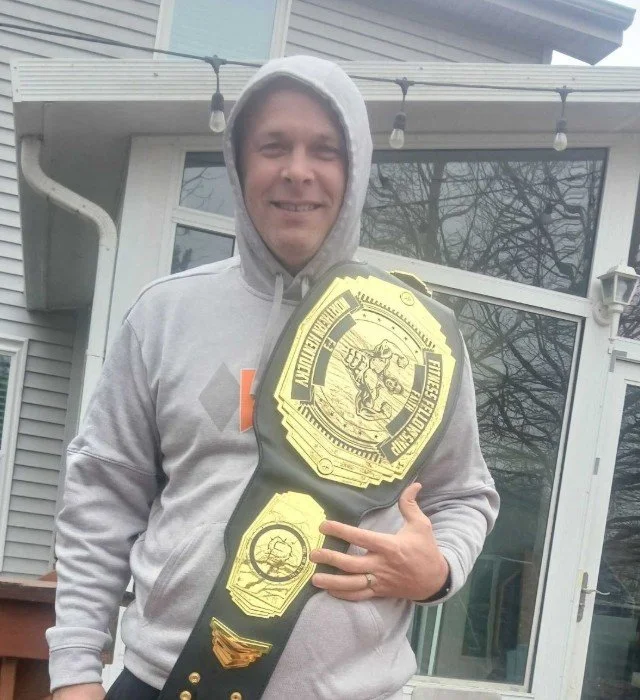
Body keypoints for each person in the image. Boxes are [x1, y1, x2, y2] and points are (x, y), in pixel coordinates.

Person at [48, 56, 499, 700]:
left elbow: (463, 495)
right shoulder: (166, 314)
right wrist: (73, 673)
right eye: (273, 146)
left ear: (355, 169)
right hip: (162, 681)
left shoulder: (417, 337)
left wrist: (439, 569)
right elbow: (102, 495)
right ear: (239, 164)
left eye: (325, 149)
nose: (298, 171)